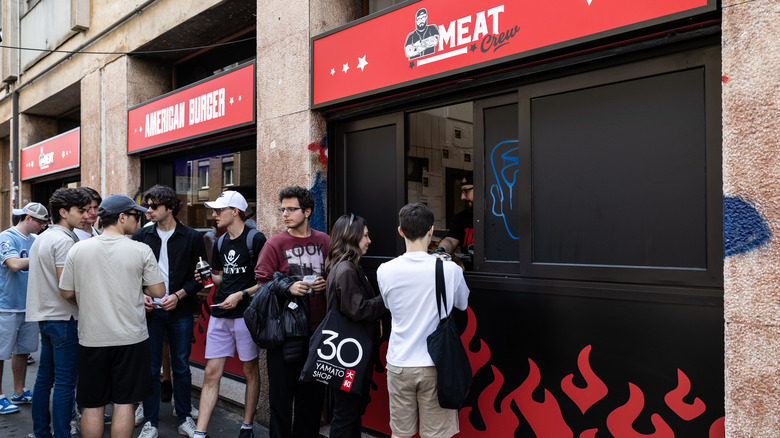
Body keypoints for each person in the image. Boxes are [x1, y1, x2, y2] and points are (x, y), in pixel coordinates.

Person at [59, 194, 165, 438]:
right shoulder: (140, 249)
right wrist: (137, 286)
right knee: (125, 402)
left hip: (92, 338)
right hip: (131, 338)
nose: (139, 220)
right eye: (136, 215)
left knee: (92, 403)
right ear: (122, 217)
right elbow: (159, 291)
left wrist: (88, 298)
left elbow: (66, 292)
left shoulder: (78, 249)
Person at [377, 203, 470, 438]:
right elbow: (462, 304)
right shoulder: (449, 270)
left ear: (401, 231)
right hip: (435, 365)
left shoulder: (384, 270)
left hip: (399, 363)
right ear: (431, 230)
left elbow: (388, 306)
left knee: (400, 434)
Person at [254, 186, 330, 438]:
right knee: (281, 400)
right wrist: (288, 288)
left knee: (312, 401)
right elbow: (262, 285)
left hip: (318, 332)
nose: (285, 214)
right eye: (282, 209)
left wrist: (326, 283)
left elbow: (337, 276)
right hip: (284, 334)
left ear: (307, 211)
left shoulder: (324, 241)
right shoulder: (275, 243)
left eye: (291, 209)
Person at [132, 185, 207, 438]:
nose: (148, 210)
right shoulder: (142, 235)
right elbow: (132, 273)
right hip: (151, 311)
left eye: (154, 206)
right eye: (147, 206)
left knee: (181, 366)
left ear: (171, 207)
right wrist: (142, 295)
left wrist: (178, 295)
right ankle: (151, 421)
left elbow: (201, 278)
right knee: (151, 368)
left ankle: (184, 417)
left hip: (180, 310)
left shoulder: (192, 237)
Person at [193, 190, 266, 438]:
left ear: (235, 211)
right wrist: (206, 277)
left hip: (246, 315)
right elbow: (222, 279)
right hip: (220, 314)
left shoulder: (256, 239)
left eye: (219, 210)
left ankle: (247, 426)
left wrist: (241, 295)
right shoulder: (221, 242)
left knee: (250, 371)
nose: (214, 215)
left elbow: (266, 281)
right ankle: (200, 432)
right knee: (211, 372)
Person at [26, 188, 90, 437]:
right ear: (63, 212)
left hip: (47, 317)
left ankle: (42, 432)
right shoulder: (64, 240)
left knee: (45, 379)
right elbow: (67, 287)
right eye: (81, 211)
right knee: (64, 382)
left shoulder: (43, 237)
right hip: (64, 318)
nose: (85, 215)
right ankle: (62, 434)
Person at [324, 214, 385, 438]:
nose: (369, 241)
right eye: (365, 236)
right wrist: (385, 300)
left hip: (349, 354)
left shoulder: (345, 266)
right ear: (351, 237)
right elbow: (357, 309)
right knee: (346, 414)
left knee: (351, 413)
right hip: (349, 356)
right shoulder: (347, 269)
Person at [0, 202, 49, 414]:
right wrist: (41, 257)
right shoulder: (6, 237)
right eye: (40, 222)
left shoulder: (36, 240)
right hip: (6, 305)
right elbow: (14, 264)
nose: (43, 226)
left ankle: (18, 392)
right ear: (28, 218)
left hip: (28, 305)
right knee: (1, 353)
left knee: (22, 351)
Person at [437, 173, 474, 255]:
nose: (462, 197)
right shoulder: (461, 217)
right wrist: (441, 251)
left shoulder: (497, 217)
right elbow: (451, 240)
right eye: (462, 192)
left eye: (466, 191)